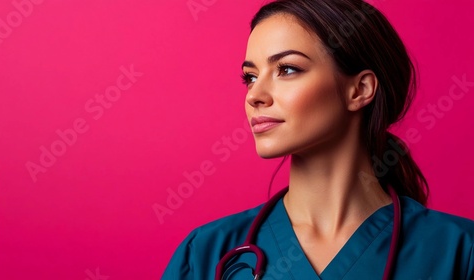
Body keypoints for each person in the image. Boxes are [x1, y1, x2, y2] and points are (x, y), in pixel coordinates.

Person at [162, 0, 474, 279]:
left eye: (286, 69)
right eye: (251, 77)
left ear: (360, 89)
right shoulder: (204, 254)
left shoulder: (460, 251)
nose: (255, 95)